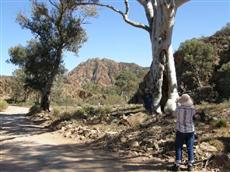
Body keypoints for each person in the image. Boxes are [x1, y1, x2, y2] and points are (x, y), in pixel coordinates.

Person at [172, 94, 196, 171]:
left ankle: (177, 164)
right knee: (190, 147)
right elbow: (194, 115)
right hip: (190, 131)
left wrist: (177, 104)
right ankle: (190, 165)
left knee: (178, 147)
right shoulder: (192, 109)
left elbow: (174, 114)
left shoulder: (178, 109)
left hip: (180, 131)